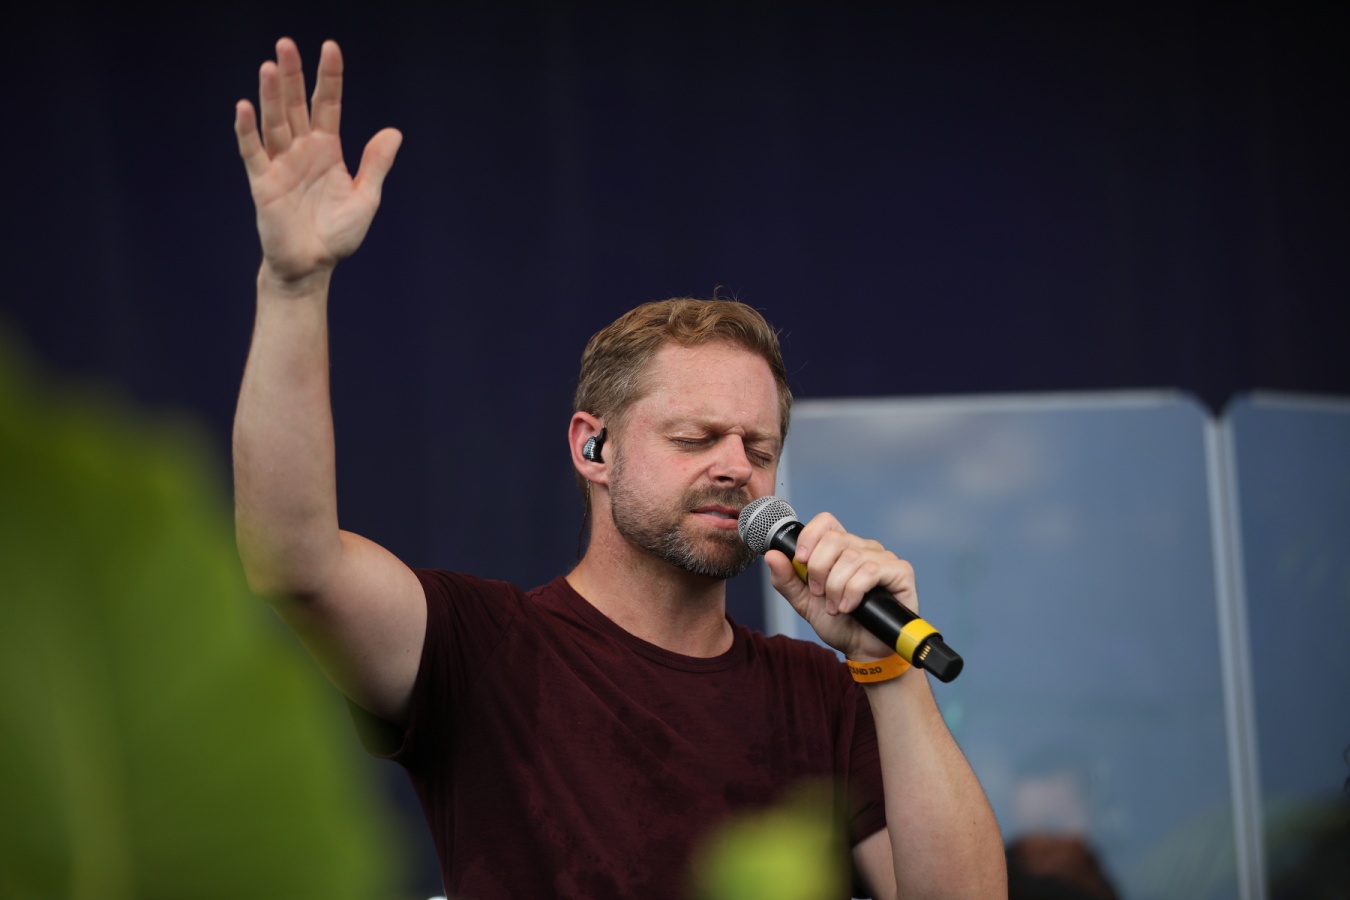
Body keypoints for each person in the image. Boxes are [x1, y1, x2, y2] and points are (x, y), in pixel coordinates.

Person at [232, 37, 1005, 899]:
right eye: (695, 438)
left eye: (758, 449)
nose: (735, 467)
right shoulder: (481, 646)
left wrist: (888, 670)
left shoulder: (822, 692)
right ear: (592, 448)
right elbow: (294, 563)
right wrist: (292, 287)